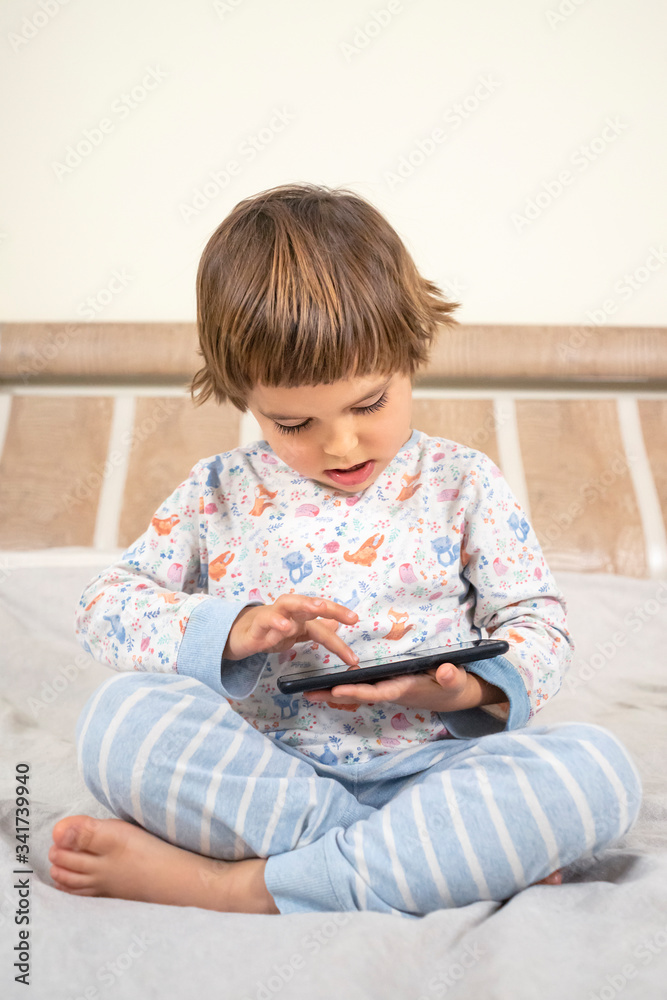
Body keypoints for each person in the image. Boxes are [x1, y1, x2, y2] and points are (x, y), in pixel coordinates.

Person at [49, 183, 642, 917]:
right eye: (293, 422)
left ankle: (242, 888)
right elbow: (104, 608)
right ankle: (423, 861)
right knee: (121, 719)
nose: (339, 444)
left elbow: (537, 622)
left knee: (596, 771)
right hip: (267, 777)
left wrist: (463, 690)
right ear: (243, 395)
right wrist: (230, 628)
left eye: (368, 405)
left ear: (410, 352)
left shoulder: (463, 483)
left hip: (436, 770)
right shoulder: (217, 492)